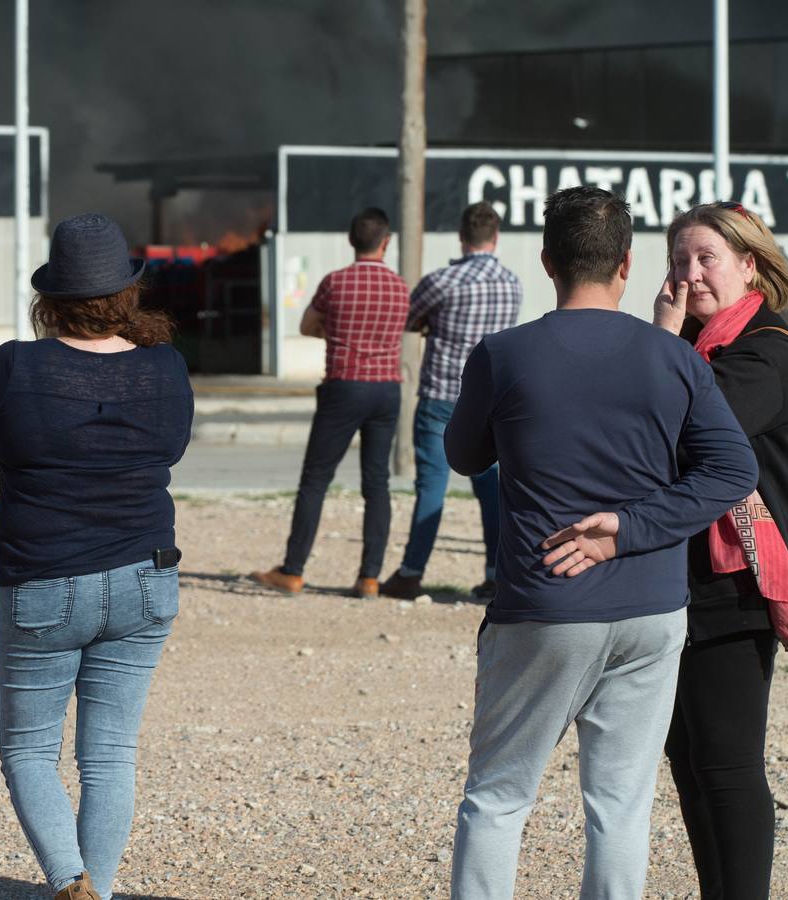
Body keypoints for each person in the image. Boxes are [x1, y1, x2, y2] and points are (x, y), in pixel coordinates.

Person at [445, 187, 758, 898]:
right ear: (627, 263)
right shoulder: (674, 358)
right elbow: (734, 469)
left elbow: (464, 456)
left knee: (498, 799)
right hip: (650, 606)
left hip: (544, 604)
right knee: (620, 808)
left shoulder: (504, 355)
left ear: (548, 261)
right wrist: (630, 528)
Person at [0, 213, 193, 900]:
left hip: (42, 580)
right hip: (146, 576)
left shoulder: (15, 365)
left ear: (50, 296)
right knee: (110, 754)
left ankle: (67, 881)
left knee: (28, 750)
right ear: (126, 292)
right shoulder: (164, 368)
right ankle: (97, 892)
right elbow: (170, 449)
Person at [649, 203, 788, 900]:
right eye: (678, 261)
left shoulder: (766, 349)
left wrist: (658, 342)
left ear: (750, 265)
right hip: (685, 575)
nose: (690, 277)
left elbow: (689, 425)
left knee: (725, 763)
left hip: (738, 580)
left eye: (706, 259)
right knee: (688, 758)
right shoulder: (692, 349)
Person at [249, 207, 409, 599]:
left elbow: (306, 325)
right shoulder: (400, 287)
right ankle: (369, 577)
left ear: (351, 241)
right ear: (385, 243)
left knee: (316, 480)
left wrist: (336, 334)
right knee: (377, 482)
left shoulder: (335, 282)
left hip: (344, 386)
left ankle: (294, 569)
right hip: (386, 389)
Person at [380, 201, 522, 602]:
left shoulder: (442, 281)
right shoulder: (512, 283)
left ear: (462, 237)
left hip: (443, 394)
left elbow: (410, 320)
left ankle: (411, 572)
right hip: (491, 399)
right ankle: (496, 573)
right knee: (491, 490)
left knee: (431, 486)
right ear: (495, 238)